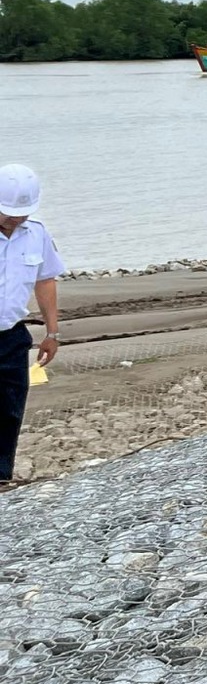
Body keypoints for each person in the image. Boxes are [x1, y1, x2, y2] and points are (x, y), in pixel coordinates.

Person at [0, 164, 62, 492]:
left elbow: (45, 280)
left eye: (21, 213)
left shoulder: (36, 233)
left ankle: (1, 476)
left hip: (11, 335)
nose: (15, 219)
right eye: (9, 213)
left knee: (9, 408)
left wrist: (52, 333)